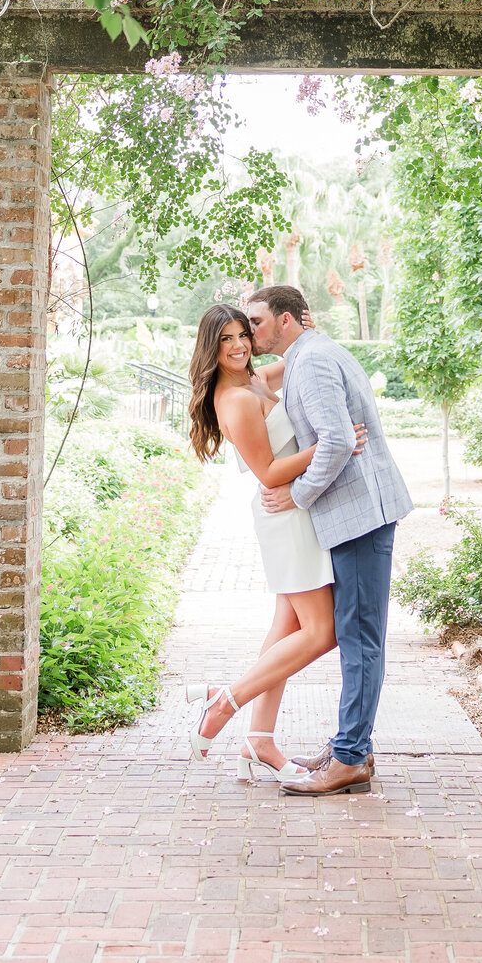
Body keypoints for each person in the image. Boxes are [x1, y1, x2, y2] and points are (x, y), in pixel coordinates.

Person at [185, 303, 366, 784]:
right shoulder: (236, 400)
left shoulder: (252, 378)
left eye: (243, 334)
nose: (240, 345)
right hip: (285, 516)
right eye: (226, 339)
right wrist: (335, 443)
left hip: (299, 511)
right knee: (321, 633)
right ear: (211, 346)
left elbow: (299, 354)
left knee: (285, 633)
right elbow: (267, 473)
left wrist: (305, 324)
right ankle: (225, 701)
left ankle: (258, 740)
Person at [246, 284, 413, 798]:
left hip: (359, 515)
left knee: (360, 639)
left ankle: (348, 759)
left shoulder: (312, 361)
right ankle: (351, 746)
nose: (251, 330)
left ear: (287, 321)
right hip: (356, 513)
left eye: (256, 320)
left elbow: (338, 441)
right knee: (356, 635)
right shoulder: (307, 355)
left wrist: (297, 495)